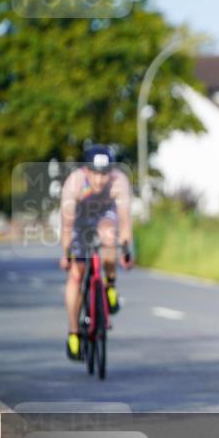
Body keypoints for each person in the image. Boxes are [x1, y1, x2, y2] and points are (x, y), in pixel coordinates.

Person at [59, 144, 134, 360]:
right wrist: (67, 254)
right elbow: (67, 224)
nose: (100, 180)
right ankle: (74, 333)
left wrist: (126, 250)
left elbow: (125, 220)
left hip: (105, 218)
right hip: (79, 222)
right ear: (86, 170)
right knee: (76, 273)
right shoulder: (74, 183)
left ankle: (110, 284)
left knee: (110, 236)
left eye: (105, 173)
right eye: (95, 173)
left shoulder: (119, 181)